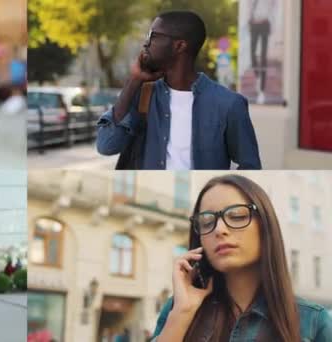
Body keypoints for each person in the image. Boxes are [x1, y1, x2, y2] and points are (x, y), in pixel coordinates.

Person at [150, 175, 332, 341]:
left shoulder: (313, 321)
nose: (219, 229)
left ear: (265, 225)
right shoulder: (179, 308)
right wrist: (182, 313)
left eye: (237, 216)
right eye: (207, 221)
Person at [96, 11, 261, 170]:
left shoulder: (229, 104)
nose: (146, 43)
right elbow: (106, 146)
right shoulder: (143, 95)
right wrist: (133, 80)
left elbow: (251, 166)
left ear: (179, 45)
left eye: (153, 36)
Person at [249, 0, 274, 104]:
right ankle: (257, 76)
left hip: (264, 23)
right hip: (254, 24)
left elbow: (271, 8)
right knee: (252, 53)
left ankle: (262, 89)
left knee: (263, 56)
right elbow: (249, 8)